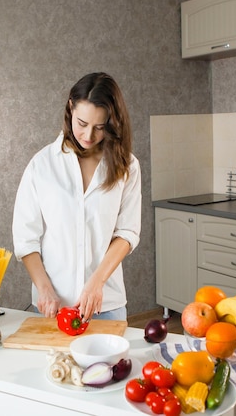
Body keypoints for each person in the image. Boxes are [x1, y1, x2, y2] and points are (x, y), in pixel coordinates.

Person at [12, 72, 142, 322]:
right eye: (82, 123)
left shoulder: (128, 166)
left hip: (106, 304)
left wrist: (96, 283)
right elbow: (26, 238)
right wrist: (44, 288)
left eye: (100, 127)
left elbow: (127, 233)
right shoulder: (42, 165)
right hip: (53, 305)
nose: (89, 135)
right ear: (70, 108)